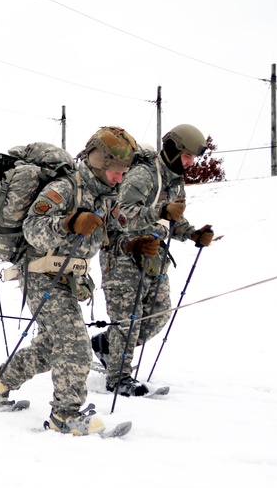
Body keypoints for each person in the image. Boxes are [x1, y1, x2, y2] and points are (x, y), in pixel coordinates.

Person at [0, 126, 138, 435]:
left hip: (69, 277)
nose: (121, 177)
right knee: (75, 345)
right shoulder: (67, 188)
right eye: (116, 170)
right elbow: (33, 229)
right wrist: (68, 222)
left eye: (124, 171)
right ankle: (65, 415)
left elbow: (109, 237)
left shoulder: (106, 197)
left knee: (52, 347)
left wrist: (132, 244)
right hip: (40, 272)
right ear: (99, 162)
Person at [92, 124, 214, 395]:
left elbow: (171, 219)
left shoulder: (175, 181)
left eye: (193, 158)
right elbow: (123, 214)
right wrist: (161, 209)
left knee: (158, 315)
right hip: (124, 253)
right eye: (186, 156)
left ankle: (104, 345)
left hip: (154, 256)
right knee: (128, 320)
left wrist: (193, 233)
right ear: (172, 149)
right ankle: (118, 378)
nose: (190, 163)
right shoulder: (143, 174)